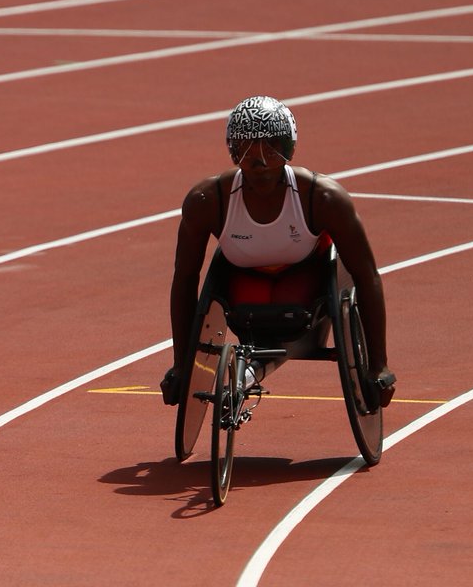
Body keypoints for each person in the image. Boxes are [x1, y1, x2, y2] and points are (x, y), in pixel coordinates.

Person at [162, 96, 396, 406]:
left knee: (289, 306)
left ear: (289, 148)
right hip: (244, 283)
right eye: (245, 149)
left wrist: (378, 365)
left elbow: (366, 276)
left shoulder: (323, 198)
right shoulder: (208, 201)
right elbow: (186, 277)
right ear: (232, 150)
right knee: (256, 306)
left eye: (270, 148)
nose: (258, 161)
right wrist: (182, 365)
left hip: (305, 281)